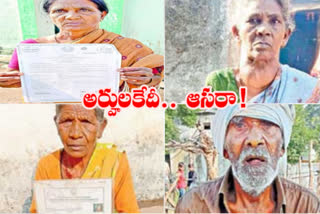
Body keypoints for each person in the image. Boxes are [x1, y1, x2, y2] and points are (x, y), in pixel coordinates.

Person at [175, 104, 320, 213]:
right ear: (225, 149)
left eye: (268, 125)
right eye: (240, 125)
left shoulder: (306, 205)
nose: (255, 140)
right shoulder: (193, 205)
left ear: (282, 148)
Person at [1, 0, 163, 91]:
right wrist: (7, 81)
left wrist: (147, 79)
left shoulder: (125, 46)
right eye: (59, 11)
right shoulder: (30, 48)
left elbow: (154, 78)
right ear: (50, 16)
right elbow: (13, 80)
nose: (71, 17)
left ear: (102, 15)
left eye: (84, 10)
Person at [29, 104, 139, 213]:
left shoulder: (114, 161)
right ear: (56, 124)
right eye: (67, 121)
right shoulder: (47, 164)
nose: (75, 134)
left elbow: (129, 211)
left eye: (86, 122)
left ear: (101, 127)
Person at [206, 0, 320, 103]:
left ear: (286, 35)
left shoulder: (308, 89)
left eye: (274, 21)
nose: (263, 30)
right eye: (254, 20)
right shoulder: (219, 83)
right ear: (236, 33)